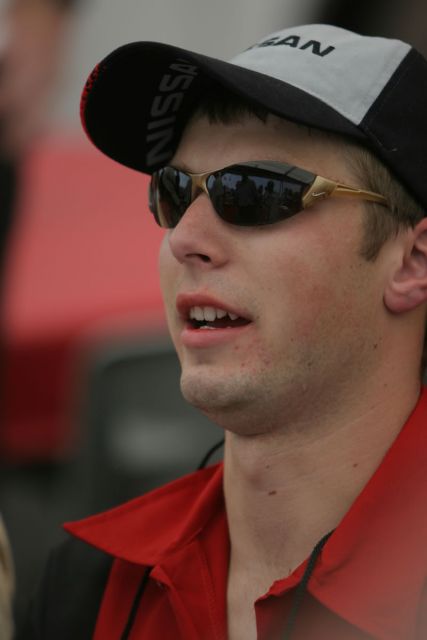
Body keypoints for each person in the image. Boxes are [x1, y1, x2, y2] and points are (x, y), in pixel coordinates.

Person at [19, 23, 427, 640]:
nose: (184, 237)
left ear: (413, 262)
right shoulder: (92, 584)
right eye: (173, 191)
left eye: (256, 191)